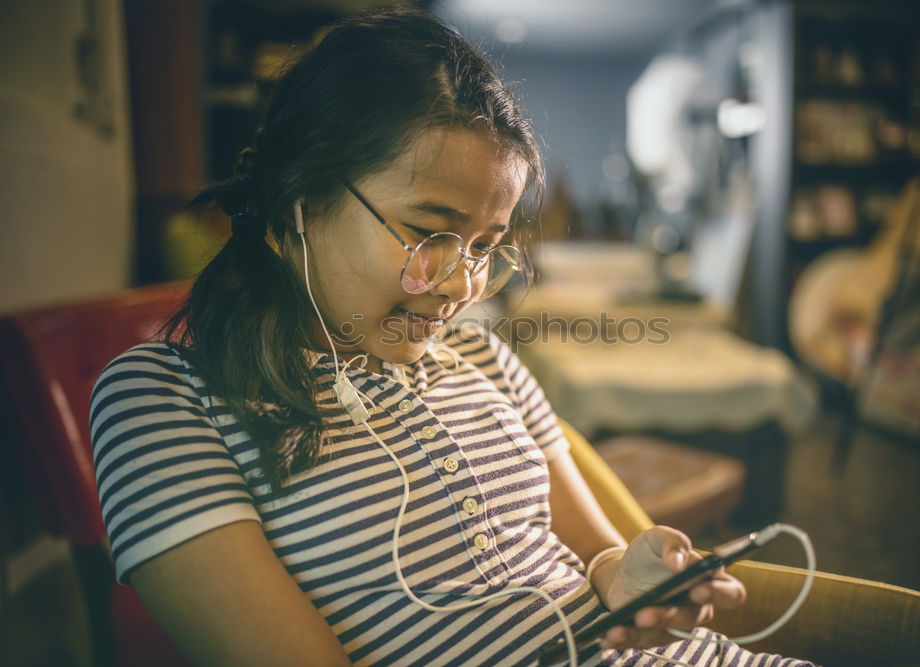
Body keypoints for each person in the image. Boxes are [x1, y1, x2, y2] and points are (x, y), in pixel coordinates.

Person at [90, 8, 814, 666]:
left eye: (485, 246)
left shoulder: (482, 355)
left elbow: (602, 559)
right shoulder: (161, 401)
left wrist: (634, 576)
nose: (462, 285)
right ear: (297, 197)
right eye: (429, 232)